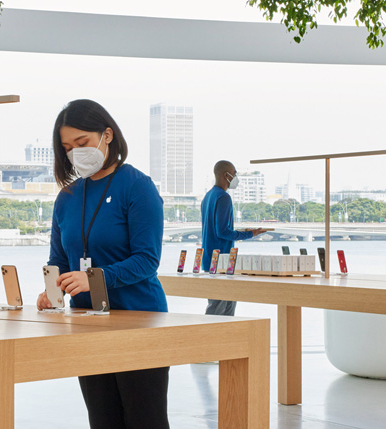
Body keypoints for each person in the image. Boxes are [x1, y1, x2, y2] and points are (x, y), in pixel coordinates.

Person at [37, 99, 169, 429]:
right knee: (103, 420)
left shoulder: (138, 187)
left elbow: (147, 261)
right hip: (88, 323)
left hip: (139, 320)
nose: (75, 153)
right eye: (67, 148)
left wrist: (94, 279)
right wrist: (52, 290)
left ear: (106, 135)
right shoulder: (67, 197)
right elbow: (58, 259)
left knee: (145, 421)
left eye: (81, 143)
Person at [200, 160, 269, 315]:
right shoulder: (223, 197)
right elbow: (223, 232)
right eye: (235, 173)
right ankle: (215, 338)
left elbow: (215, 229)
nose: (236, 177)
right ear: (227, 175)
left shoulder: (208, 197)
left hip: (209, 260)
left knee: (218, 305)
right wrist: (250, 233)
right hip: (222, 261)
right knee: (222, 309)